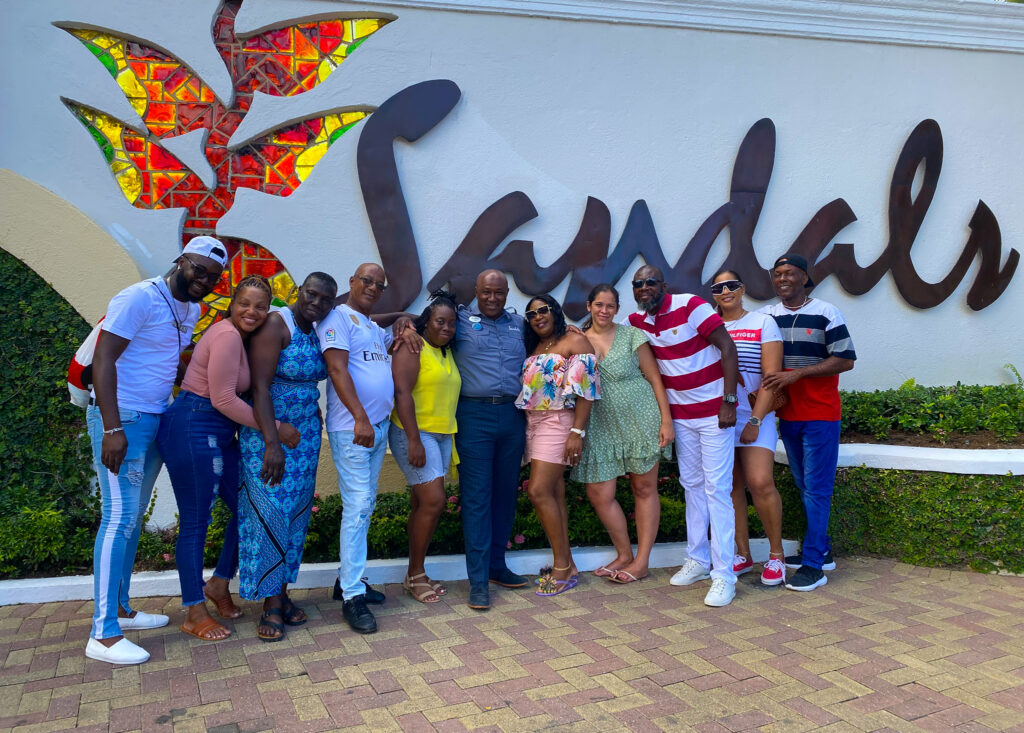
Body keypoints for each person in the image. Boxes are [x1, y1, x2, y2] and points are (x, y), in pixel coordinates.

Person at [85, 235, 227, 664]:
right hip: (122, 418)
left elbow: (166, 356)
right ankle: (103, 635)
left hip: (155, 417)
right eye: (198, 269)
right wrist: (112, 426)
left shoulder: (192, 308)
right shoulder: (139, 298)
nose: (204, 279)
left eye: (214, 277)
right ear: (182, 260)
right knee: (119, 518)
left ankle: (122, 610)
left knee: (130, 519)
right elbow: (103, 361)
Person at [157, 275, 298, 641]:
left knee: (250, 508)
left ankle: (219, 584)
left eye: (260, 306)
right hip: (193, 425)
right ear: (231, 304)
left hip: (219, 432)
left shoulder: (243, 338)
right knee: (196, 521)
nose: (252, 311)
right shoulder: (225, 335)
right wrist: (275, 429)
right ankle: (193, 610)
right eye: (244, 304)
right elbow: (222, 398)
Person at [628, 265, 741, 608]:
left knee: (717, 490)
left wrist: (729, 400)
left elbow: (727, 348)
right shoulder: (638, 322)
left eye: (650, 282)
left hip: (714, 416)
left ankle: (724, 576)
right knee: (691, 485)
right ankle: (698, 560)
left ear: (664, 285)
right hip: (682, 418)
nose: (644, 288)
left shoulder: (690, 305)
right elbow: (608, 337)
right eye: (638, 284)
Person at [239, 272, 338, 642]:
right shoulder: (277, 326)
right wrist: (272, 442)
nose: (317, 303)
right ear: (299, 292)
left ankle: (281, 593)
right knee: (269, 514)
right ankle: (270, 603)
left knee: (294, 516)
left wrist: (405, 320)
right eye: (311, 294)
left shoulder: (316, 329)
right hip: (269, 434)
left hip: (307, 436)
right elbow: (260, 388)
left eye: (325, 299)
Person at [760, 253, 856, 592]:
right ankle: (822, 549)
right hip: (786, 415)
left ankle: (814, 565)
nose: (783, 279)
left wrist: (797, 374)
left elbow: (845, 360)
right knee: (805, 486)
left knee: (816, 489)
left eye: (790, 273)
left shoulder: (826, 312)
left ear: (804, 277)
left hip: (820, 414)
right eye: (778, 274)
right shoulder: (766, 316)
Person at [571, 284, 673, 584]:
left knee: (644, 489)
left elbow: (654, 377)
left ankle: (641, 561)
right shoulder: (577, 340)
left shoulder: (631, 335)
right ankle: (624, 553)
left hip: (639, 417)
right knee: (599, 493)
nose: (604, 310)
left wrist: (666, 421)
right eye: (599, 304)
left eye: (610, 306)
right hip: (599, 424)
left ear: (617, 309)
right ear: (589, 305)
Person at [318, 264, 395, 634]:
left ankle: (348, 580)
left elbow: (393, 327)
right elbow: (337, 370)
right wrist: (361, 418)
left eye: (379, 285)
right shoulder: (338, 318)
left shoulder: (372, 326)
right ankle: (351, 596)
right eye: (367, 281)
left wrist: (407, 326)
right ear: (351, 281)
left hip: (376, 428)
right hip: (354, 428)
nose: (373, 288)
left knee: (366, 504)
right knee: (359, 505)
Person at [451, 270, 532, 611]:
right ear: (476, 291)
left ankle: (498, 566)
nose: (493, 298)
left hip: (512, 417)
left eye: (499, 292)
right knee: (477, 498)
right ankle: (479, 581)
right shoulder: (458, 321)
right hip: (474, 416)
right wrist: (402, 326)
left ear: (507, 292)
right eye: (486, 292)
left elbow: (547, 342)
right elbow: (422, 324)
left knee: (504, 495)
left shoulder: (520, 325)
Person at [516, 295, 599, 597]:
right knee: (554, 492)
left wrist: (577, 431)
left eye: (543, 310)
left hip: (559, 422)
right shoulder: (534, 347)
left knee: (538, 491)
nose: (538, 317)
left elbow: (587, 391)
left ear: (555, 312)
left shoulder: (573, 342)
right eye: (532, 314)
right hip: (532, 423)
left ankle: (561, 568)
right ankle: (569, 564)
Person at [709, 270, 787, 586]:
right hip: (720, 419)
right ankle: (742, 554)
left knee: (760, 481)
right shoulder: (708, 326)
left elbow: (771, 377)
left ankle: (777, 556)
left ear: (742, 289)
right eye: (718, 287)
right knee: (730, 487)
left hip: (756, 414)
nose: (725, 290)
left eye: (731, 285)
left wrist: (755, 420)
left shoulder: (762, 322)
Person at [389, 291, 461, 603]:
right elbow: (402, 393)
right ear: (426, 323)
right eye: (440, 321)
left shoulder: (447, 352)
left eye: (451, 323)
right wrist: (415, 440)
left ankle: (414, 573)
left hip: (443, 434)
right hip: (414, 433)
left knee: (423, 503)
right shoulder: (413, 345)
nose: (446, 327)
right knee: (434, 501)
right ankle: (416, 573)